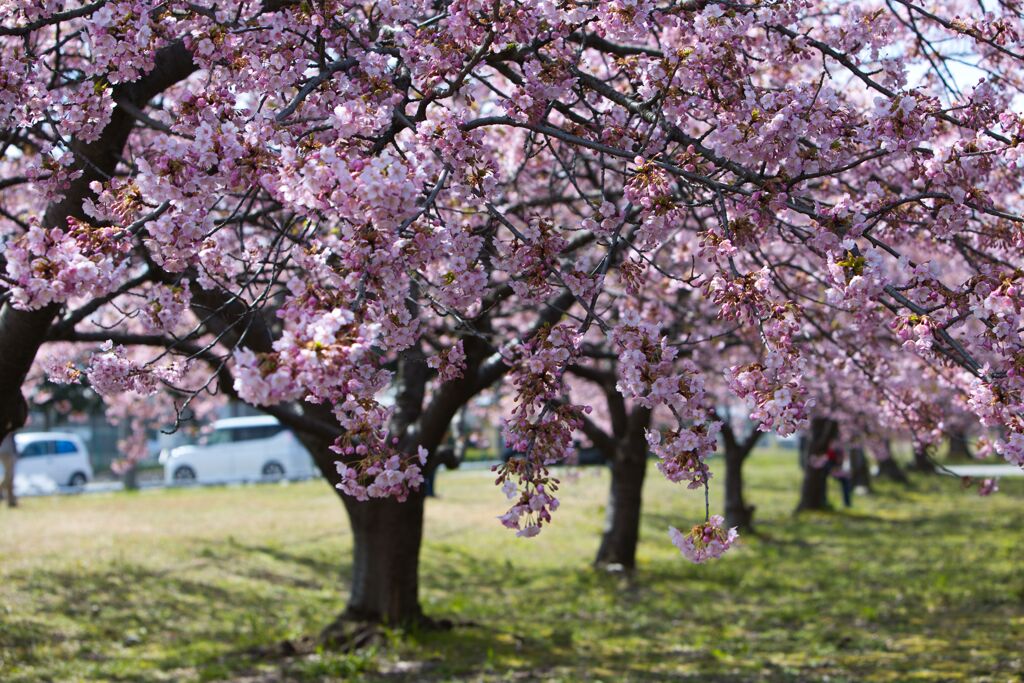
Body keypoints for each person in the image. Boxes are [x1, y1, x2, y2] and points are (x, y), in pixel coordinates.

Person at [0, 431, 18, 508]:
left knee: (11, 477)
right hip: (6, 452)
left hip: (9, 452)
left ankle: (11, 501)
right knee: (9, 476)